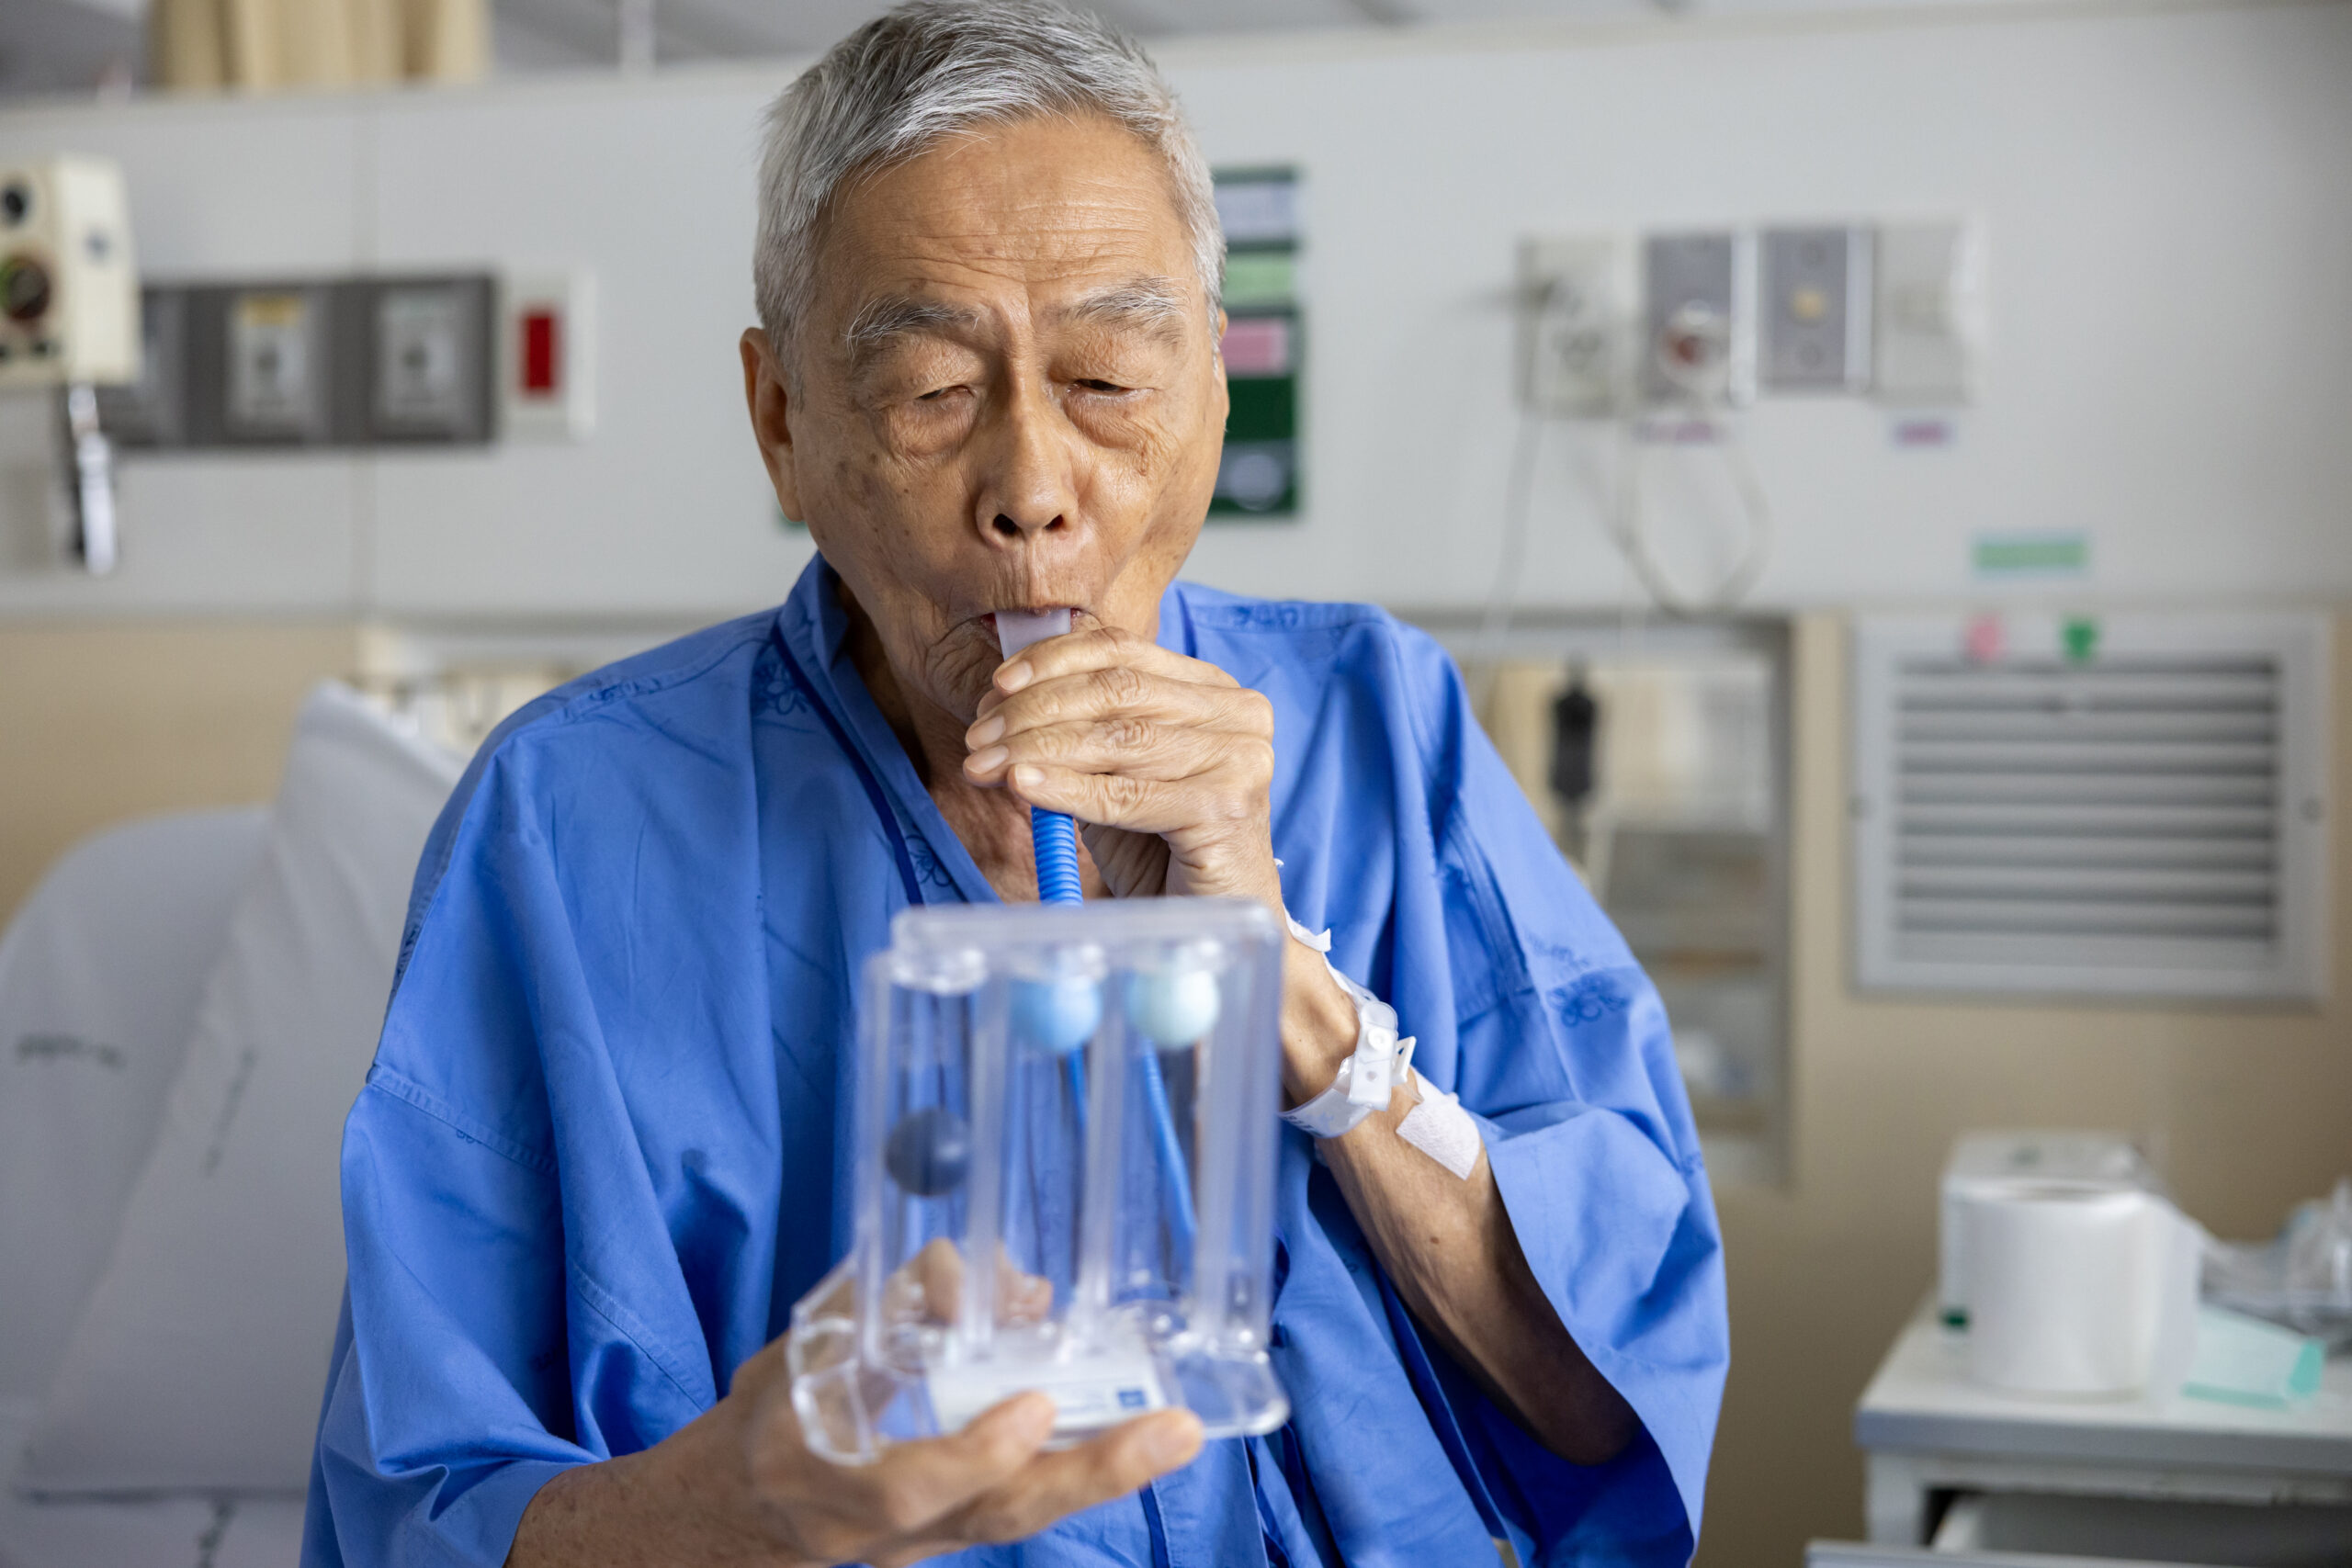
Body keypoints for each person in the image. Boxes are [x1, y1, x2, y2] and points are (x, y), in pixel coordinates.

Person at [301, 4, 1727, 1564]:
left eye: (1110, 380)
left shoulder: (1382, 726)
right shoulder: (565, 833)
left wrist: (1295, 1009)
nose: (1036, 494)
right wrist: (735, 1509)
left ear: (1214, 397)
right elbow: (416, 1514)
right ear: (782, 424)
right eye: (931, 395)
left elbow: (1614, 1396)